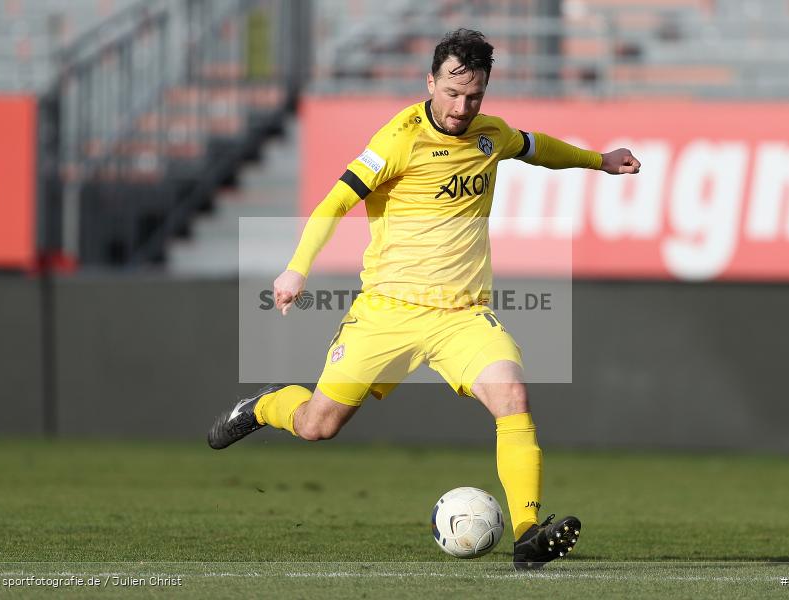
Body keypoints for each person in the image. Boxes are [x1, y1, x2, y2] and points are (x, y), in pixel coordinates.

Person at [208, 28, 640, 570]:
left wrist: (599, 160)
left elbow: (536, 148)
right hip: (386, 312)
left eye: (474, 95)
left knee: (513, 398)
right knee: (318, 425)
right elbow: (332, 204)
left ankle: (529, 533)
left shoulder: (491, 135)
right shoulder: (397, 140)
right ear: (430, 82)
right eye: (453, 94)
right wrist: (297, 269)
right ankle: (265, 406)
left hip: (462, 316)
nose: (462, 107)